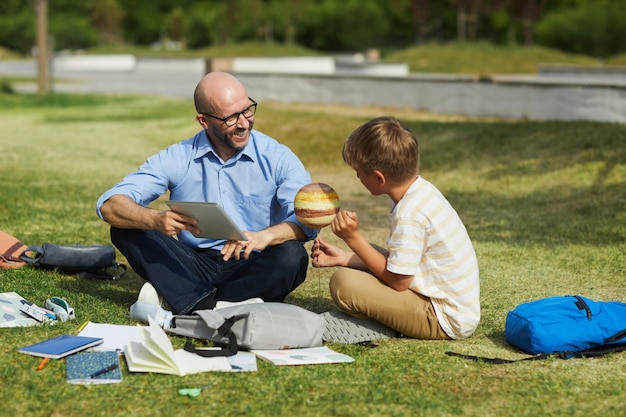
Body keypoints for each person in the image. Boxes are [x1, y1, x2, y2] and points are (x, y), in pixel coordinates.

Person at [96, 71, 318, 315]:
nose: (244, 123)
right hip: (193, 262)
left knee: (292, 256)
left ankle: (190, 300)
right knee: (126, 227)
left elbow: (307, 220)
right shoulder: (180, 156)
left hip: (254, 262)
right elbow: (109, 204)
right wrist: (155, 219)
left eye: (247, 110)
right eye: (231, 117)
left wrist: (263, 236)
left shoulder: (277, 157)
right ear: (204, 121)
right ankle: (224, 305)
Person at [312, 116, 480, 340]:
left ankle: (383, 325)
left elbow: (399, 282)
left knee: (343, 283)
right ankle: (390, 316)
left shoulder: (410, 212)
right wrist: (343, 257)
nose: (357, 176)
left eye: (359, 172)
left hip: (443, 318)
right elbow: (398, 262)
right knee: (369, 253)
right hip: (447, 307)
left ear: (380, 177)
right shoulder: (420, 191)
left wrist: (353, 239)